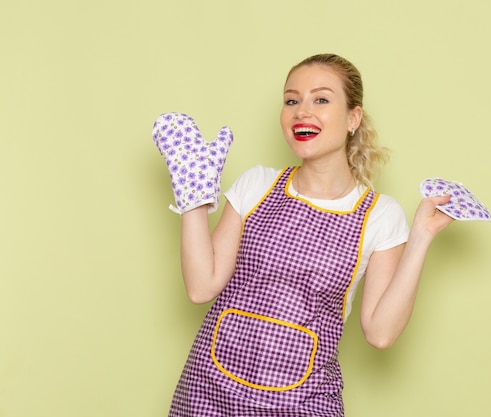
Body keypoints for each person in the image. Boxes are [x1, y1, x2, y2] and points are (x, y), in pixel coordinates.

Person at [153, 53, 454, 417]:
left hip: (303, 403)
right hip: (209, 394)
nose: (301, 111)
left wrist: (421, 235)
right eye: (291, 100)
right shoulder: (257, 184)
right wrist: (194, 199)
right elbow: (201, 288)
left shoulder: (381, 215)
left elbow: (380, 334)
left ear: (352, 118)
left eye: (321, 100)